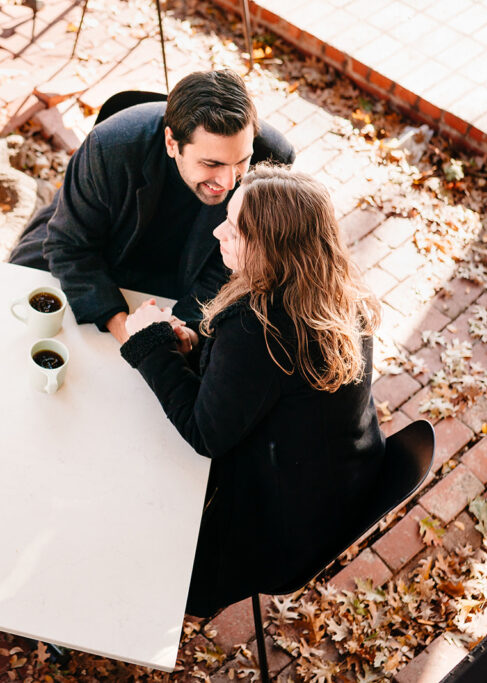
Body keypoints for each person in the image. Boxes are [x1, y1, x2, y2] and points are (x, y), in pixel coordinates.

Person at [118, 166, 385, 617]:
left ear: (276, 249)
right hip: (337, 484)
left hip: (279, 528)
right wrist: (198, 347)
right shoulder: (333, 292)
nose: (220, 230)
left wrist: (149, 343)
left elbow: (205, 434)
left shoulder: (259, 328)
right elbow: (264, 381)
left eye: (237, 230)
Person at [8, 70, 295, 349]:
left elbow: (232, 267)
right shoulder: (110, 145)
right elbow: (70, 246)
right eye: (212, 164)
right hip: (94, 251)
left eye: (240, 161)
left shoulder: (272, 163)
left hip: (186, 283)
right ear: (172, 143)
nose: (229, 181)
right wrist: (128, 333)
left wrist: (185, 332)